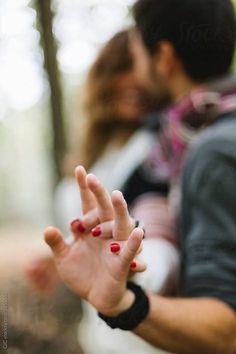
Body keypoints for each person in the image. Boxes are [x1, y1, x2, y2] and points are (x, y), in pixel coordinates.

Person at [43, 0, 236, 353]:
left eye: (136, 54)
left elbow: (227, 327)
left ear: (163, 58)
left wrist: (125, 293)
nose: (133, 75)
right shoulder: (174, 145)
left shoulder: (207, 150)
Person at [28, 29, 178, 354]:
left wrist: (133, 266)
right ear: (104, 76)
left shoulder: (161, 146)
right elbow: (92, 237)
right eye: (122, 67)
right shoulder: (92, 153)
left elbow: (160, 241)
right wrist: (56, 259)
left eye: (142, 67)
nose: (134, 80)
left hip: (147, 335)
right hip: (97, 338)